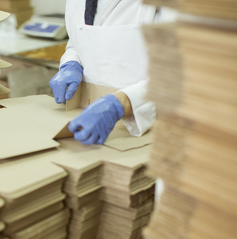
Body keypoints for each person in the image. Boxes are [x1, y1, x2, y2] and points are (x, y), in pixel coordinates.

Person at [50, 0, 171, 145]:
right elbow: (78, 40)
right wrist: (71, 62)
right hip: (90, 120)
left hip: (152, 127)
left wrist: (120, 104)